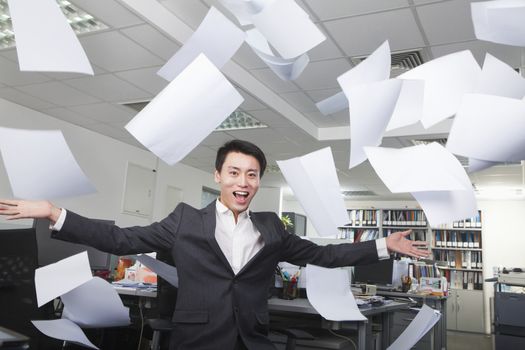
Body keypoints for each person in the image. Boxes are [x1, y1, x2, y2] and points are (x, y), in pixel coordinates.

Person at [0, 140, 428, 350]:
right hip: (197, 338)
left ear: (259, 181)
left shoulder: (272, 226)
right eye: (235, 173)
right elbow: (122, 238)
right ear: (220, 176)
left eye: (253, 174)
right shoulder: (185, 219)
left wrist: (382, 246)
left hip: (252, 338)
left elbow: (324, 255)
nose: (244, 182)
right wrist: (56, 213)